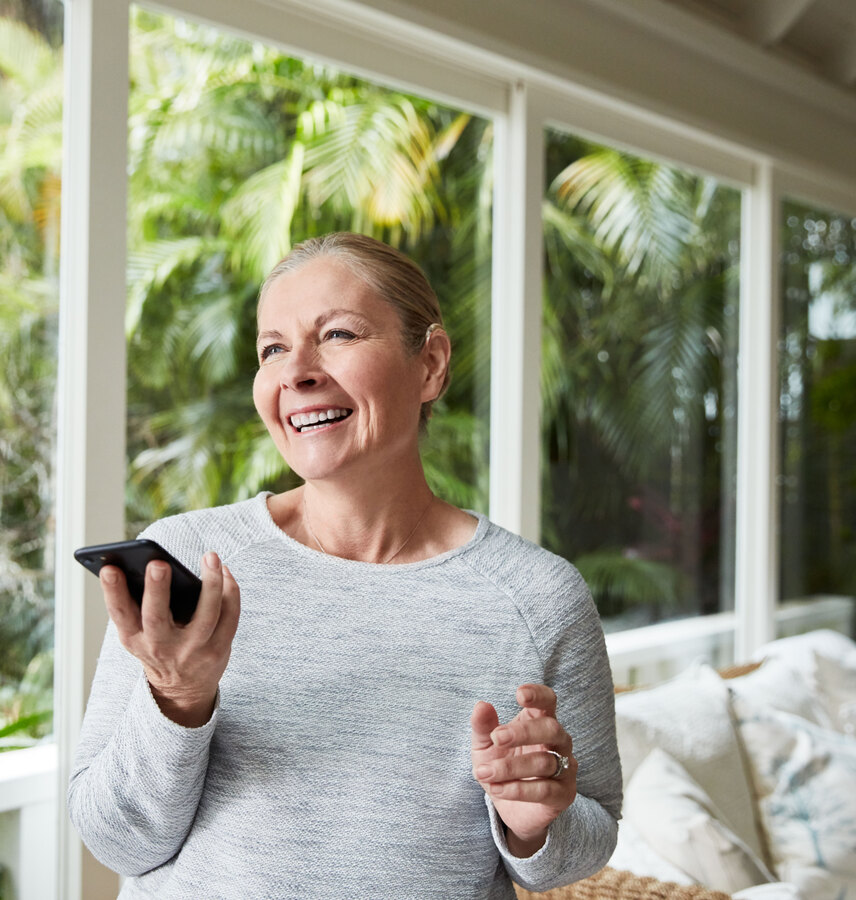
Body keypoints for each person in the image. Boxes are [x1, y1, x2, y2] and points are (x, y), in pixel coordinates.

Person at [68, 232, 622, 898]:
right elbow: (116, 840)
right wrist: (176, 703)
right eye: (272, 348)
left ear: (431, 364)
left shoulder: (537, 597)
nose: (297, 370)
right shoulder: (191, 563)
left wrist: (534, 822)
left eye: (338, 335)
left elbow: (588, 839)